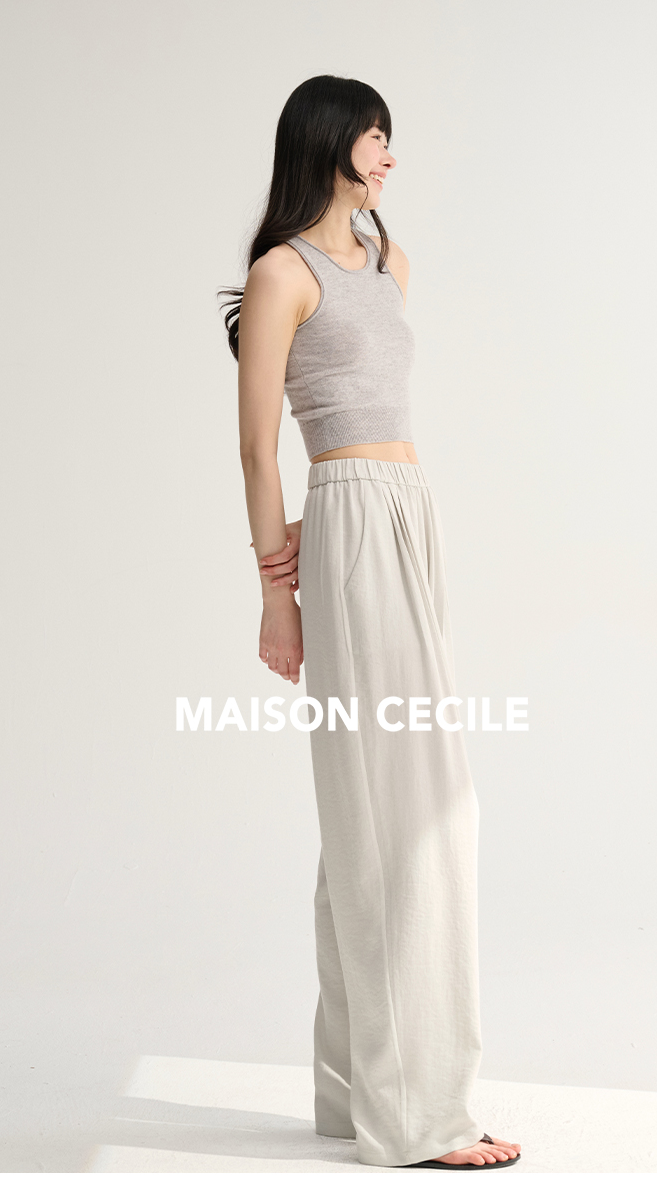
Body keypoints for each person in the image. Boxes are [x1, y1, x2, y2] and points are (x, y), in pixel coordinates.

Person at [219, 74, 522, 1171]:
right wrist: (277, 593)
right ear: (331, 142)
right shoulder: (281, 274)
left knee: (383, 801)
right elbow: (258, 450)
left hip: (408, 513)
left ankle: (354, 1090)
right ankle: (421, 1115)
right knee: (409, 810)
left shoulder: (389, 263)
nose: (391, 155)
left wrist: (380, 517)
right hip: (346, 511)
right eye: (377, 137)